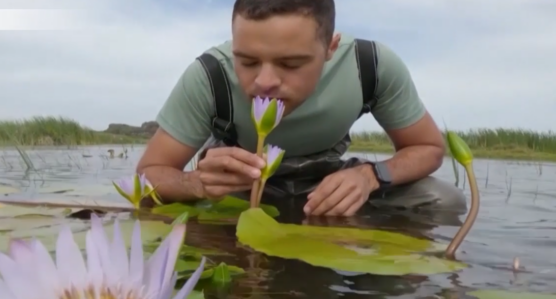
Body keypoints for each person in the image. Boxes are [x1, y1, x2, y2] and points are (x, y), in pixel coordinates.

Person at [135, 0, 467, 217]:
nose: (264, 82)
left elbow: (428, 148)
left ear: (330, 48)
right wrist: (195, 184)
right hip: (240, 189)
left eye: (291, 64)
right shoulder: (208, 76)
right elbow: (147, 173)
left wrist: (370, 176)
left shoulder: (371, 65)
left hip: (326, 182)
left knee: (444, 201)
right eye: (247, 61)